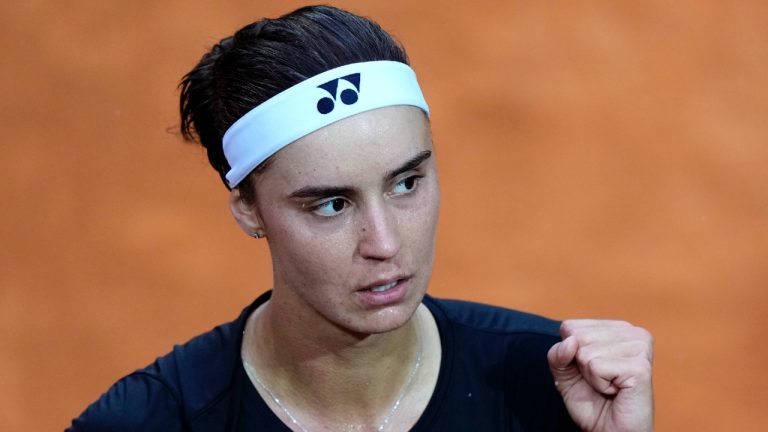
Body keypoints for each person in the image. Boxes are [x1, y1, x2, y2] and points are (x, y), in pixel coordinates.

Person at [68, 5, 653, 431]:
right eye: (330, 203)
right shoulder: (152, 421)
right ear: (249, 209)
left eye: (406, 182)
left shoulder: (554, 387)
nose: (385, 241)